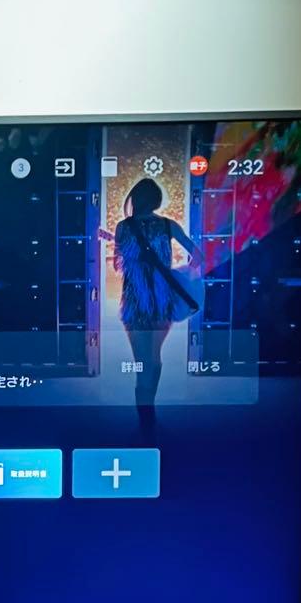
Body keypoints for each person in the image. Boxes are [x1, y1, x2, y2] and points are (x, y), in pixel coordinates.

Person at [114, 177, 202, 433]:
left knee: (142, 361)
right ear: (156, 200)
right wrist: (181, 274)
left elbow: (118, 265)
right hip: (162, 301)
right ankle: (149, 410)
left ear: (134, 199)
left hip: (135, 301)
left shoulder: (123, 227)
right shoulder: (168, 225)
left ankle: (145, 415)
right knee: (154, 357)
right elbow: (198, 255)